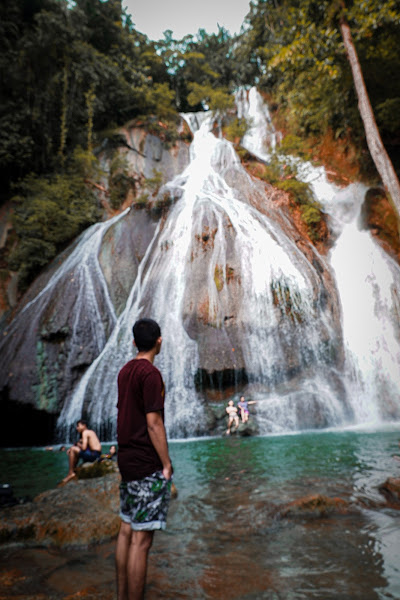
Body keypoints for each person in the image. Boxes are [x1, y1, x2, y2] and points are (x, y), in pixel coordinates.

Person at [115, 318, 173, 600]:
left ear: (134, 342)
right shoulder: (150, 374)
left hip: (126, 460)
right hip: (145, 462)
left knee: (126, 530)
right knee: (141, 541)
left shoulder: (125, 371)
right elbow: (154, 423)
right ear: (159, 341)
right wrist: (166, 464)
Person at [60, 420, 102, 484]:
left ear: (84, 426)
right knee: (73, 449)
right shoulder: (91, 432)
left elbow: (84, 448)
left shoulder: (85, 432)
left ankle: (71, 472)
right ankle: (74, 470)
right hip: (97, 455)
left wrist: (73, 448)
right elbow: (84, 444)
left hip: (93, 455)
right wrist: (77, 445)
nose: (77, 428)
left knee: (73, 449)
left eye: (78, 426)